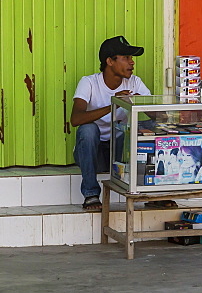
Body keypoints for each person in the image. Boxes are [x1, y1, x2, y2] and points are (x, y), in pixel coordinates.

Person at [70, 35, 175, 211]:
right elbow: (76, 119)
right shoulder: (88, 82)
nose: (132, 63)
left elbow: (161, 118)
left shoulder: (134, 82)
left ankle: (154, 192)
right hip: (93, 155)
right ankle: (91, 194)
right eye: (126, 58)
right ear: (109, 61)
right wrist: (114, 103)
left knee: (150, 129)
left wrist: (140, 102)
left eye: (131, 58)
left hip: (119, 152)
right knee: (88, 130)